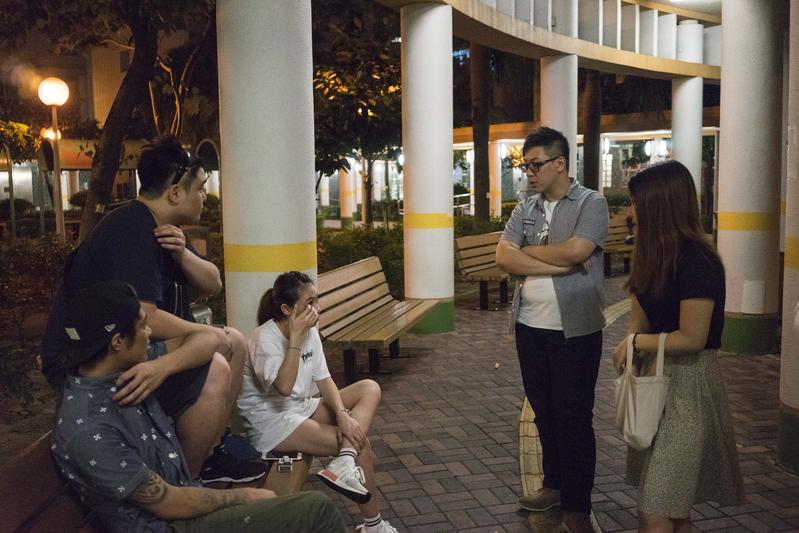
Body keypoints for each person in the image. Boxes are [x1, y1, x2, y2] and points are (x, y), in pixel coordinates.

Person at [41, 136, 265, 483]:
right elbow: (148, 318)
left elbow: (214, 283)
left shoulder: (163, 228)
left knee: (231, 339)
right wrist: (199, 339)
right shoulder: (131, 231)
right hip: (91, 360)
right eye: (201, 188)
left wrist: (183, 255)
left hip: (128, 346)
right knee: (217, 364)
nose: (204, 196)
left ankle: (211, 452)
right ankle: (185, 483)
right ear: (176, 192)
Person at [50, 280, 346, 533]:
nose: (150, 332)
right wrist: (239, 497)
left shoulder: (127, 371)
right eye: (143, 325)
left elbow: (207, 338)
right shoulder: (88, 428)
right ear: (117, 342)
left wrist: (163, 367)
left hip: (187, 504)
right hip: (172, 526)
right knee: (316, 509)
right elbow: (166, 503)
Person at [612, 160, 743, 532]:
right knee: (673, 507)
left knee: (655, 507)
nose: (630, 212)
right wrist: (632, 350)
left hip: (689, 390)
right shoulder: (650, 255)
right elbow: (638, 322)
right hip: (653, 388)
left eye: (636, 203)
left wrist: (635, 342)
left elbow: (692, 337)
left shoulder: (698, 261)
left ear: (658, 205)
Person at [496, 127, 609, 533]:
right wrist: (556, 264)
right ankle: (554, 485)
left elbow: (579, 251)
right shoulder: (524, 207)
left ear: (560, 163)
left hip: (575, 330)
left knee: (574, 418)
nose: (529, 173)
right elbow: (503, 257)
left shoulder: (590, 203)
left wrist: (526, 254)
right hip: (529, 326)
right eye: (526, 166)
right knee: (544, 413)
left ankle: (578, 505)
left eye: (536, 164)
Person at [237, 272, 397, 533]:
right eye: (309, 303)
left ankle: (344, 461)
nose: (316, 309)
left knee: (369, 388)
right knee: (362, 445)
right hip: (272, 420)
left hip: (301, 407)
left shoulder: (310, 332)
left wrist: (343, 414)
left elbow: (325, 381)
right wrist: (296, 338)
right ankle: (374, 526)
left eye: (316, 301)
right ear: (287, 309)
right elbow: (284, 387)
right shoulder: (264, 338)